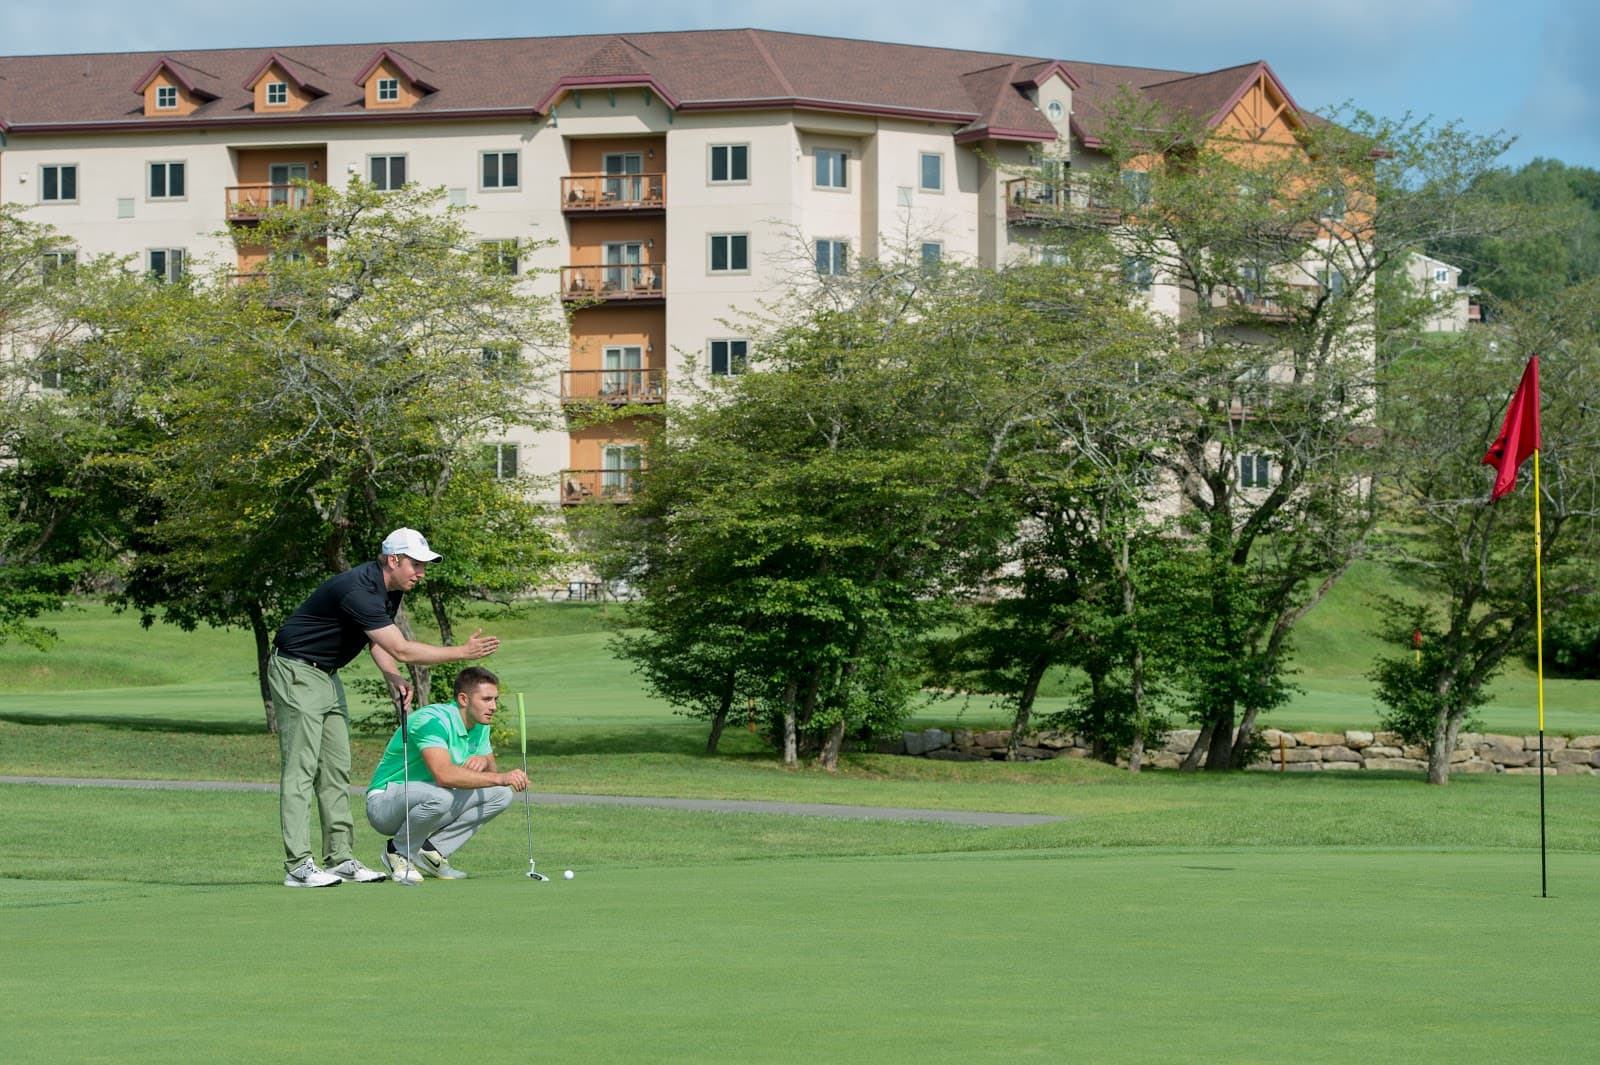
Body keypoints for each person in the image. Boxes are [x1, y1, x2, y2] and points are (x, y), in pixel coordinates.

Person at [268, 527, 500, 888]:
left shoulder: (389, 591)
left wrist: (392, 676)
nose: (421, 573)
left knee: (336, 768)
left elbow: (376, 639)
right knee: (302, 768)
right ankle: (298, 865)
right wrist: (462, 653)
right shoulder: (358, 589)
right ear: (393, 560)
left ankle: (340, 858)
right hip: (296, 669)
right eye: (416, 564)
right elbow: (402, 649)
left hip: (327, 675)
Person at [365, 665, 529, 883]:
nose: (494, 707)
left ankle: (431, 852)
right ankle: (397, 851)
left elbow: (491, 774)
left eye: (495, 700)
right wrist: (500, 778)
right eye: (487, 699)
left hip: (431, 801)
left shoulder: (480, 724)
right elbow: (443, 775)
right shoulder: (432, 720)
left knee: (501, 794)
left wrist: (484, 761)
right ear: (463, 699)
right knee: (443, 795)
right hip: (385, 803)